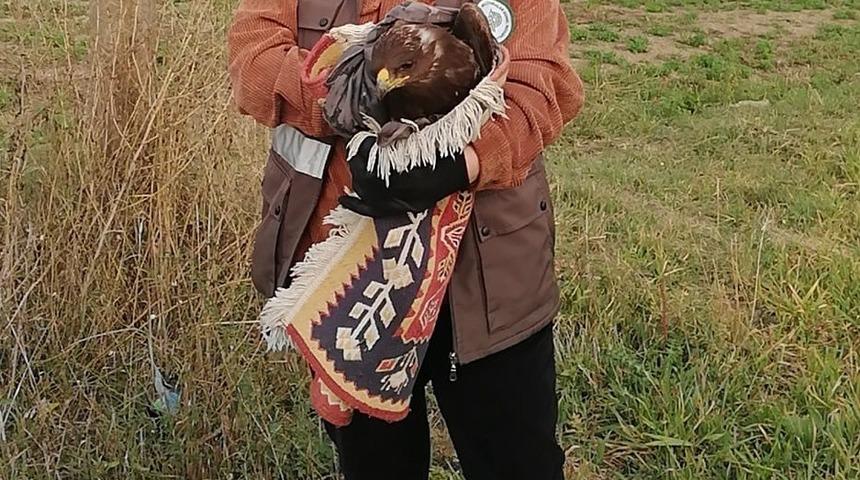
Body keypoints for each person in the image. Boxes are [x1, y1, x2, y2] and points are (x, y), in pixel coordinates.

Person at [228, 0, 584, 478]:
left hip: (489, 277)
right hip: (349, 284)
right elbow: (254, 63)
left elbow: (541, 84)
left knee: (517, 461)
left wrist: (462, 162)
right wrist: (358, 99)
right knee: (375, 466)